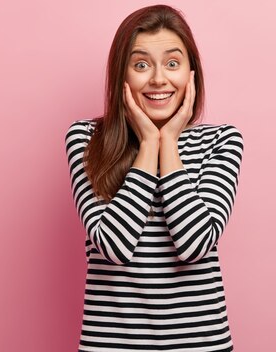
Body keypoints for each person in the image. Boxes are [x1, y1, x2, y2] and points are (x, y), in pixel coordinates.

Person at [65, 4, 244, 352]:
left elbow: (194, 245)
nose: (159, 79)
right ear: (122, 75)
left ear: (192, 73)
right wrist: (149, 142)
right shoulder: (86, 139)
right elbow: (115, 247)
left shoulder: (222, 141)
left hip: (201, 345)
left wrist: (170, 142)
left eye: (173, 63)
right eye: (141, 64)